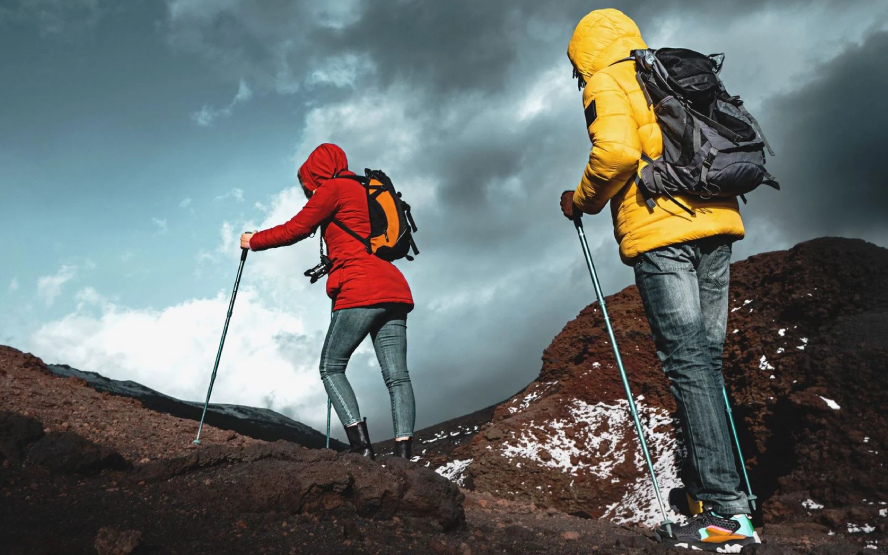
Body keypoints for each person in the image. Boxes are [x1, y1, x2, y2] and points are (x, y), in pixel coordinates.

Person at [561, 8, 756, 550]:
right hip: (717, 224)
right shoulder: (662, 70)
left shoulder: (606, 79)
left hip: (661, 230)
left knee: (688, 365)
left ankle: (727, 514)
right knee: (705, 365)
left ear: (583, 52)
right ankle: (709, 490)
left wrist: (580, 201)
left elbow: (618, 152)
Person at [241, 143, 416, 460]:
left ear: (314, 172)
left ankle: (361, 449)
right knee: (398, 376)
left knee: (331, 367)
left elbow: (296, 228)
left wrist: (253, 240)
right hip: (394, 288)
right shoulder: (365, 188)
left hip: (359, 287)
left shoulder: (333, 189)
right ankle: (405, 455)